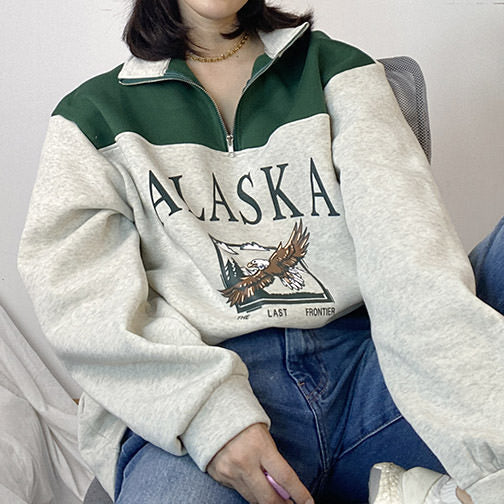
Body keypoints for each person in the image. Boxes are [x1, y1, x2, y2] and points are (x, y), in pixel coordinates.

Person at [17, 1, 504, 503]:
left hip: (372, 374)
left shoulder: (338, 71)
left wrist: (490, 464)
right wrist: (210, 417)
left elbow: (410, 262)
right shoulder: (91, 117)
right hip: (204, 385)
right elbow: (85, 305)